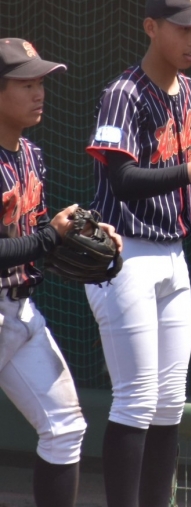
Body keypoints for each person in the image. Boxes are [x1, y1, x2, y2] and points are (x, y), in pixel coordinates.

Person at [85, 0, 191, 507]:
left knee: (170, 403)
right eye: (183, 28)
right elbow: (122, 179)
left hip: (174, 254)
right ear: (151, 27)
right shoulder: (123, 94)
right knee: (136, 399)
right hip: (124, 252)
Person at [0, 37, 121, 507]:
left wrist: (81, 235)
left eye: (41, 83)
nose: (39, 93)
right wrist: (50, 238)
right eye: (26, 84)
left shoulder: (31, 155)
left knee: (65, 428)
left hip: (19, 312)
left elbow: (34, 236)